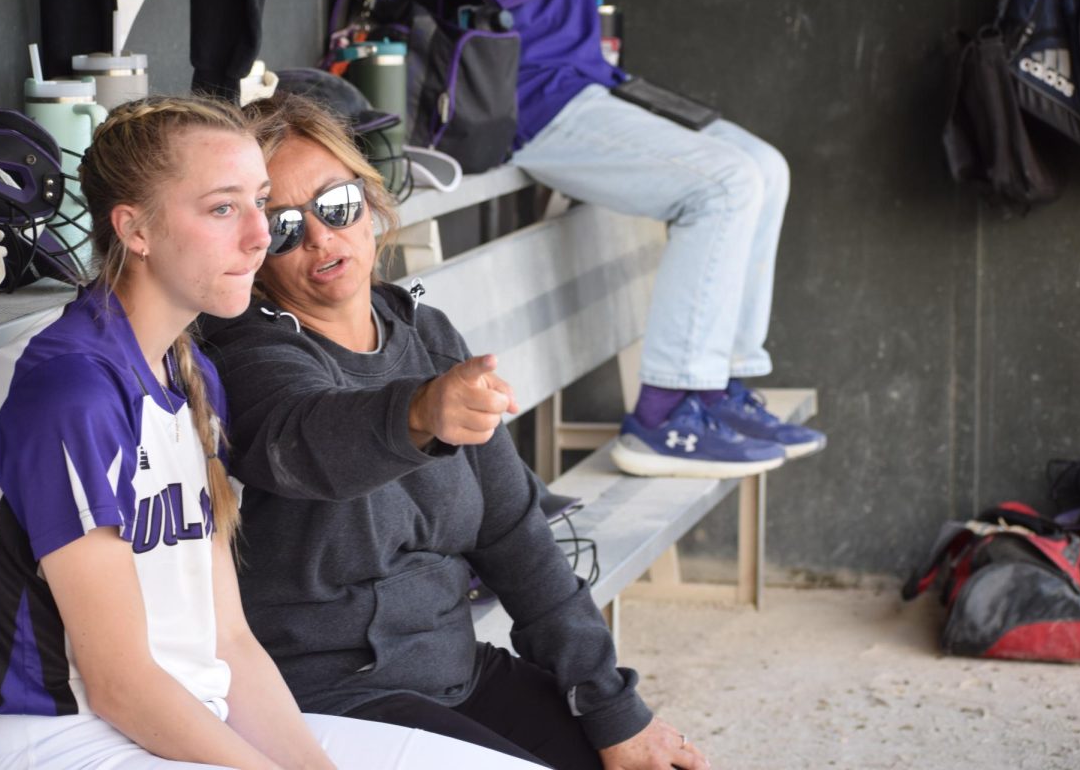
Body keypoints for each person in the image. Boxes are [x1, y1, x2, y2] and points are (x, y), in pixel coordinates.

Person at [0, 96, 544, 770]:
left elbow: (229, 641)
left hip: (202, 720)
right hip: (76, 743)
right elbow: (120, 687)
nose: (262, 236)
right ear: (134, 229)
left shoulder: (187, 371)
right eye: (223, 208)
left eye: (260, 203)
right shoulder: (69, 390)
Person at [197, 92, 710, 770]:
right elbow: (305, 439)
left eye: (337, 205)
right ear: (256, 246)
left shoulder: (426, 337)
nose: (321, 237)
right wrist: (418, 415)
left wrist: (613, 708)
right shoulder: (245, 354)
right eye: (285, 226)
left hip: (456, 672)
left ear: (371, 202)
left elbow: (515, 535)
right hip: (332, 699)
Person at [461, 0, 825, 479]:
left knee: (765, 166)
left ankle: (717, 389)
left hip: (594, 82)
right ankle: (665, 412)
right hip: (528, 99)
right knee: (726, 184)